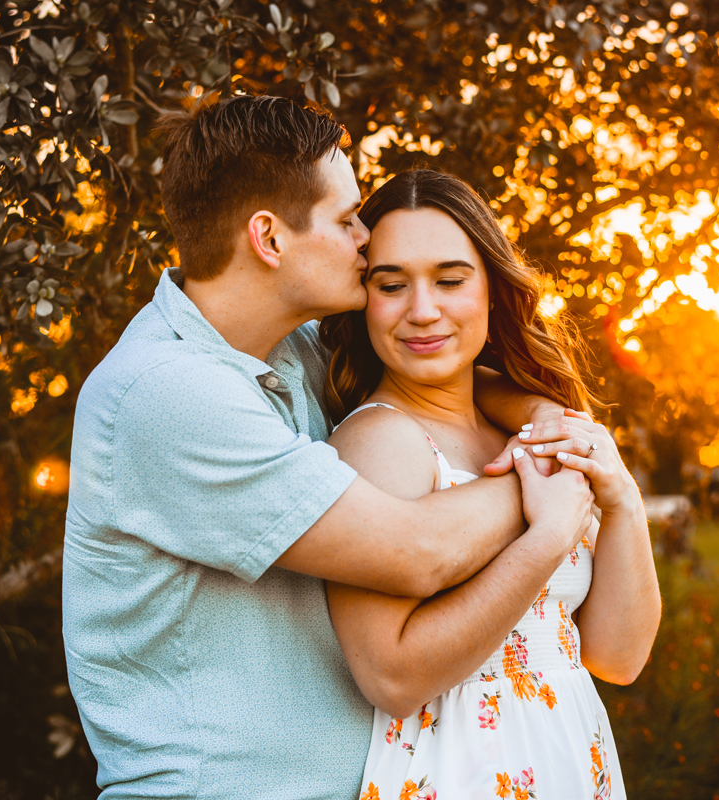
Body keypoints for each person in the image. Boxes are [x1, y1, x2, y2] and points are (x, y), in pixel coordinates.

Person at [62, 95, 587, 800]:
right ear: (269, 239)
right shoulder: (167, 393)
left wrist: (547, 416)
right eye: (346, 221)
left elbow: (443, 371)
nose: (367, 239)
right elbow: (415, 553)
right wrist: (547, 489)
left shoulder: (290, 351)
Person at [319, 170, 662, 800]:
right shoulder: (380, 443)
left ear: (493, 291)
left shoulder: (523, 426)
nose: (423, 311)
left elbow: (618, 657)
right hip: (462, 772)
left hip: (568, 755)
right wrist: (550, 535)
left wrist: (622, 502)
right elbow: (390, 676)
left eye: (450, 280)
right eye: (391, 285)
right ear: (363, 299)